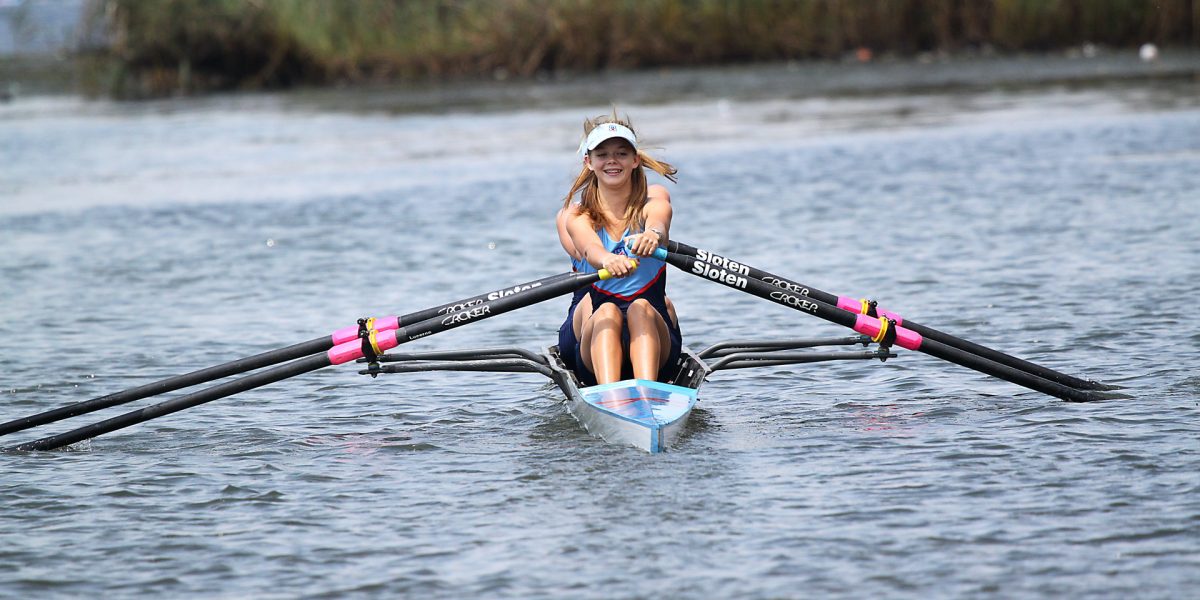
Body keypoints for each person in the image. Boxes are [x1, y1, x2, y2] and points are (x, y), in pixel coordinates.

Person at [556, 113, 682, 385]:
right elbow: (590, 249)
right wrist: (607, 260)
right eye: (602, 154)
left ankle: (648, 393)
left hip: (656, 342)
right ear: (588, 162)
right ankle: (611, 395)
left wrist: (652, 235)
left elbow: (659, 221)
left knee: (641, 308)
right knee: (606, 311)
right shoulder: (578, 217)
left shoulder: (652, 204)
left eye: (621, 153)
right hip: (596, 339)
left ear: (635, 160)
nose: (612, 160)